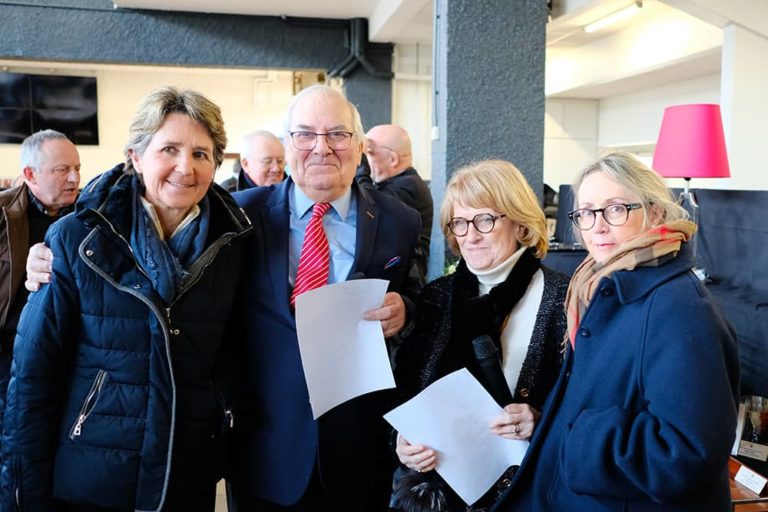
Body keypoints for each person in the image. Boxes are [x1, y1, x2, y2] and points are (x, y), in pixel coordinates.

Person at [1, 86, 252, 511]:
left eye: (200, 153)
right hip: (91, 480)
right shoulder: (78, 240)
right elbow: (33, 380)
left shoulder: (233, 246)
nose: (185, 167)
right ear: (136, 157)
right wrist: (21, 496)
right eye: (168, 149)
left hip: (185, 475)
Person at [495, 151, 740, 511]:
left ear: (655, 212)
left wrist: (576, 438)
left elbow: (687, 451)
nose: (597, 226)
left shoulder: (679, 308)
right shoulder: (597, 286)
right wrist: (548, 422)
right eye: (586, 212)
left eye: (615, 209)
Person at [225, 85, 423, 511]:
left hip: (359, 446)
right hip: (264, 446)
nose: (321, 148)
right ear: (287, 144)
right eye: (305, 134)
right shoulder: (240, 215)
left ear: (359, 145)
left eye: (337, 134)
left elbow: (415, 294)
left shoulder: (400, 221)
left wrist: (405, 310)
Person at [391, 159, 569, 512]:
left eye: (485, 220)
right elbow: (408, 391)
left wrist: (539, 420)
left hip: (527, 490)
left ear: (520, 222)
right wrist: (403, 441)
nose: (470, 236)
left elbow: (581, 405)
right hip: (437, 494)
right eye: (459, 222)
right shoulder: (437, 296)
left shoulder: (562, 298)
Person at [0, 129, 80, 441]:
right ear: (31, 174)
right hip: (10, 355)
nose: (74, 178)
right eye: (62, 170)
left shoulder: (88, 215)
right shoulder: (3, 214)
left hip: (68, 353)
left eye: (77, 168)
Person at [365, 124, 433, 279]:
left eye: (369, 152)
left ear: (393, 159)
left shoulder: (409, 186)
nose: (364, 159)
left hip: (404, 284)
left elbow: (370, 208)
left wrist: (360, 168)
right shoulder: (393, 184)